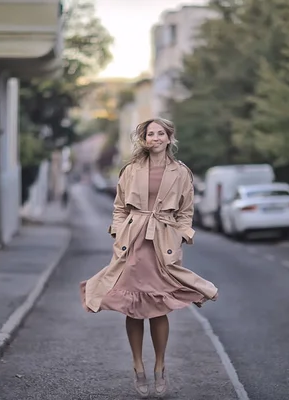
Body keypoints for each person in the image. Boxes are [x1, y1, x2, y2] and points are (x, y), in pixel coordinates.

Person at [80, 118, 218, 398]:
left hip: (163, 242)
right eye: (149, 134)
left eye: (160, 134)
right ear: (144, 140)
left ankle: (160, 366)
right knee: (133, 305)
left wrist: (180, 235)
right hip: (133, 242)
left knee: (158, 306)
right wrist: (119, 233)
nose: (154, 138)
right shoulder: (130, 170)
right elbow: (119, 207)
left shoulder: (181, 173)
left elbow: (186, 211)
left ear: (169, 138)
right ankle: (137, 365)